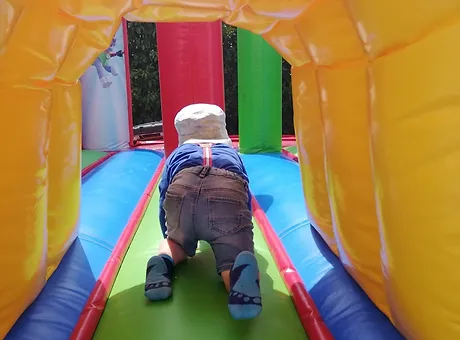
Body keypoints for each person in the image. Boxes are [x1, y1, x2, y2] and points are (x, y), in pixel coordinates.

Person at [144, 103, 262, 320]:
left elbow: (164, 193)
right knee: (231, 254)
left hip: (182, 189)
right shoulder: (230, 153)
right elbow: (244, 193)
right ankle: (236, 282)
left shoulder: (178, 154)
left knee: (175, 243)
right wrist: (242, 229)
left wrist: (170, 231)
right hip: (226, 190)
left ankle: (163, 262)